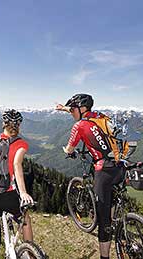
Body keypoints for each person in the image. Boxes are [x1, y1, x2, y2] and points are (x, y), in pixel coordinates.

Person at [56, 94, 124, 259]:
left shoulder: (79, 126)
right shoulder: (100, 117)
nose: (71, 112)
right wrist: (64, 109)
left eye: (73, 109)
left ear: (81, 109)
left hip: (104, 171)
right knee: (112, 199)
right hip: (120, 166)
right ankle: (116, 222)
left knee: (103, 222)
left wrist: (67, 151)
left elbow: (71, 148)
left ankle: (105, 255)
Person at [0, 109, 33, 259]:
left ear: (4, 124)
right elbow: (17, 165)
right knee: (25, 219)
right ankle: (30, 253)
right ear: (19, 125)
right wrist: (22, 192)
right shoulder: (20, 143)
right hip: (5, 193)